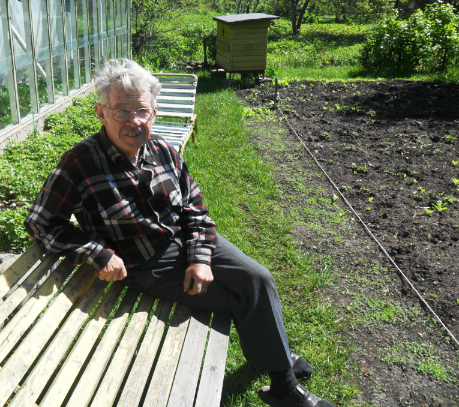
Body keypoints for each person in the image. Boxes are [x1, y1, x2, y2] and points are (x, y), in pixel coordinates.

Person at [25, 58, 335, 407]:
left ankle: (275, 359)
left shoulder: (162, 150)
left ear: (154, 113)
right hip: (146, 265)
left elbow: (193, 206)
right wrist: (97, 251)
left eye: (141, 111)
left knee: (257, 278)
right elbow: (41, 222)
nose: (133, 121)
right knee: (239, 298)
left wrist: (199, 257)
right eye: (122, 111)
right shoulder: (79, 162)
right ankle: (283, 383)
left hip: (186, 239)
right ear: (101, 113)